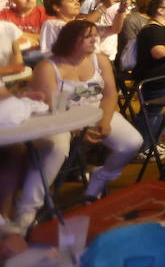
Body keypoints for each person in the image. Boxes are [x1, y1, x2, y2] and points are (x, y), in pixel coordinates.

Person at [13, 21, 144, 229]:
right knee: (55, 149)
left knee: (132, 142)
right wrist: (78, 130)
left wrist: (105, 121)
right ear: (71, 40)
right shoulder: (48, 66)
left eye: (95, 35)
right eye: (87, 36)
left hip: (93, 112)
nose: (95, 40)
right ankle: (26, 211)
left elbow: (110, 94)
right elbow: (51, 106)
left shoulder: (100, 60)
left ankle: (100, 179)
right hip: (56, 118)